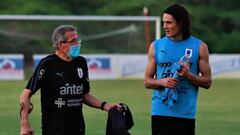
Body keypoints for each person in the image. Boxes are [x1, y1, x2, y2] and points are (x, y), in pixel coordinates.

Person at [19, 25, 121, 135]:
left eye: (77, 40)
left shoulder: (81, 62)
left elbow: (83, 94)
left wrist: (105, 106)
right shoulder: (47, 64)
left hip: (78, 129)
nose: (77, 44)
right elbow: (25, 95)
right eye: (73, 41)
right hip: (54, 130)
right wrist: (24, 124)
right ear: (60, 45)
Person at [144, 4, 212, 135]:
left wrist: (188, 75)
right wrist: (161, 82)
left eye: (169, 22)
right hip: (160, 112)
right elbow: (147, 82)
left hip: (185, 114)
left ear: (181, 23)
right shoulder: (156, 46)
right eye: (164, 22)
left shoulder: (199, 47)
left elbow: (208, 82)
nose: (164, 26)